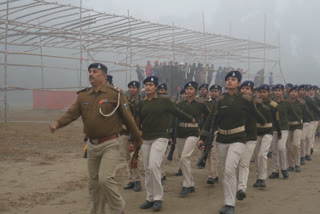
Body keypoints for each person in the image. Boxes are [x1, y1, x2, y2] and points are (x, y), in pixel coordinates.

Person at [49, 63, 142, 214]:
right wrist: (57, 123)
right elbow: (71, 113)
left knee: (105, 179)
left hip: (110, 143)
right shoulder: (83, 95)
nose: (91, 74)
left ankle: (118, 210)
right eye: (90, 71)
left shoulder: (115, 94)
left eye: (95, 71)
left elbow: (129, 119)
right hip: (92, 145)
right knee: (93, 183)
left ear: (104, 76)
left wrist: (137, 138)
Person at [198, 70, 263, 214]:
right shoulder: (220, 100)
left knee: (229, 169)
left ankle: (231, 203)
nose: (230, 81)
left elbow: (256, 114)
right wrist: (202, 137)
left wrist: (262, 120)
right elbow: (211, 120)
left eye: (233, 79)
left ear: (239, 83)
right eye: (228, 79)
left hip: (239, 139)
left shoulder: (245, 99)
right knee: (225, 172)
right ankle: (228, 203)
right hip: (221, 139)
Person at [137, 76, 195, 211]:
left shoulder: (165, 101)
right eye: (146, 84)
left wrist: (190, 119)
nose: (148, 87)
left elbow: (177, 112)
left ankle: (158, 198)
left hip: (161, 137)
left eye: (151, 84)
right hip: (146, 138)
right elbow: (137, 121)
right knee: (146, 169)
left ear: (156, 87)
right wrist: (134, 138)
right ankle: (150, 197)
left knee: (153, 166)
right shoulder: (142, 103)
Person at [176, 81, 209, 196]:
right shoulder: (180, 104)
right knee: (182, 159)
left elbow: (209, 118)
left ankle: (186, 185)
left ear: (195, 90)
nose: (188, 91)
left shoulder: (200, 104)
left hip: (193, 132)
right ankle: (191, 184)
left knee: (185, 157)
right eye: (187, 89)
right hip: (181, 132)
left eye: (191, 89)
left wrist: (203, 130)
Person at [236, 80, 266, 201]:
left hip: (250, 137)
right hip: (236, 137)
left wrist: (251, 103)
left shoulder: (257, 103)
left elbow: (262, 117)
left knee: (244, 163)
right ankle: (236, 184)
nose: (244, 90)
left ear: (252, 91)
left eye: (247, 89)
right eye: (243, 88)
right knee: (235, 164)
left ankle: (241, 188)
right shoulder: (235, 102)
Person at [269, 84, 300, 179]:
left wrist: (299, 120)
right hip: (273, 129)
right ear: (273, 91)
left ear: (283, 91)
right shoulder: (270, 103)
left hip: (284, 129)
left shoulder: (286, 103)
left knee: (281, 148)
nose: (277, 92)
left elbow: (293, 114)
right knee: (274, 150)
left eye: (279, 90)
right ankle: (275, 171)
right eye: (276, 90)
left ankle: (284, 169)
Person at [253, 84, 281, 188]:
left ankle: (262, 178)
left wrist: (279, 132)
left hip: (268, 132)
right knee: (256, 156)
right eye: (260, 92)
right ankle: (258, 177)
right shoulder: (254, 104)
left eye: (264, 92)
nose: (262, 94)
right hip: (256, 132)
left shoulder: (273, 105)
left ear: (268, 93)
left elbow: (277, 120)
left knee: (262, 154)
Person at [122, 81, 143, 192]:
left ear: (139, 89)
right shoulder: (125, 101)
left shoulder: (142, 102)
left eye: (134, 87)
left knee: (135, 157)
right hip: (125, 132)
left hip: (137, 132)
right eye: (130, 87)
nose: (132, 89)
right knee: (127, 158)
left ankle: (137, 180)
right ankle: (131, 180)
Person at [286, 86, 310, 172]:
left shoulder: (301, 103)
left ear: (297, 93)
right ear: (289, 93)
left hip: (298, 126)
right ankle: (290, 164)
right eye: (291, 91)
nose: (293, 93)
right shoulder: (286, 103)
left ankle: (297, 164)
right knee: (289, 146)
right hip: (288, 126)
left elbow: (307, 112)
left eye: (295, 91)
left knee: (296, 144)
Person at [205, 84, 222, 185]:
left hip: (218, 130)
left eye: (216, 91)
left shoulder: (221, 103)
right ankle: (214, 174)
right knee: (209, 153)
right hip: (208, 130)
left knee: (215, 153)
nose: (214, 93)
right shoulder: (206, 103)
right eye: (212, 91)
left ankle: (211, 175)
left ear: (220, 92)